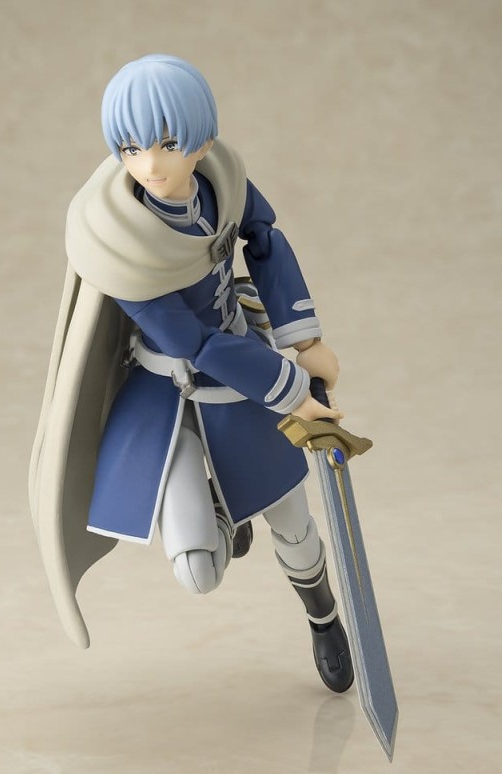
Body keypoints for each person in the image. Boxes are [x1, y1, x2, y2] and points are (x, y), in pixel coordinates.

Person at [30, 54, 353, 693]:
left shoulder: (222, 183)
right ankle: (222, 509)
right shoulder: (117, 239)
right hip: (171, 392)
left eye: (167, 144)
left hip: (242, 371)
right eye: (131, 148)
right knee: (199, 571)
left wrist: (305, 338)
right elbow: (195, 342)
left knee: (293, 524)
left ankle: (324, 620)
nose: (150, 164)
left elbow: (264, 240)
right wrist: (294, 393)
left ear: (201, 142)